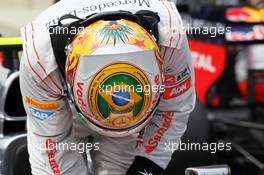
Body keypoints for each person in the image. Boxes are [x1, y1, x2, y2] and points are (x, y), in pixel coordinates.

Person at [19, 0, 196, 174]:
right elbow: (52, 143)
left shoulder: (171, 37)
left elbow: (175, 107)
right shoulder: (40, 63)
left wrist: (148, 164)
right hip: (64, 109)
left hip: (134, 122)